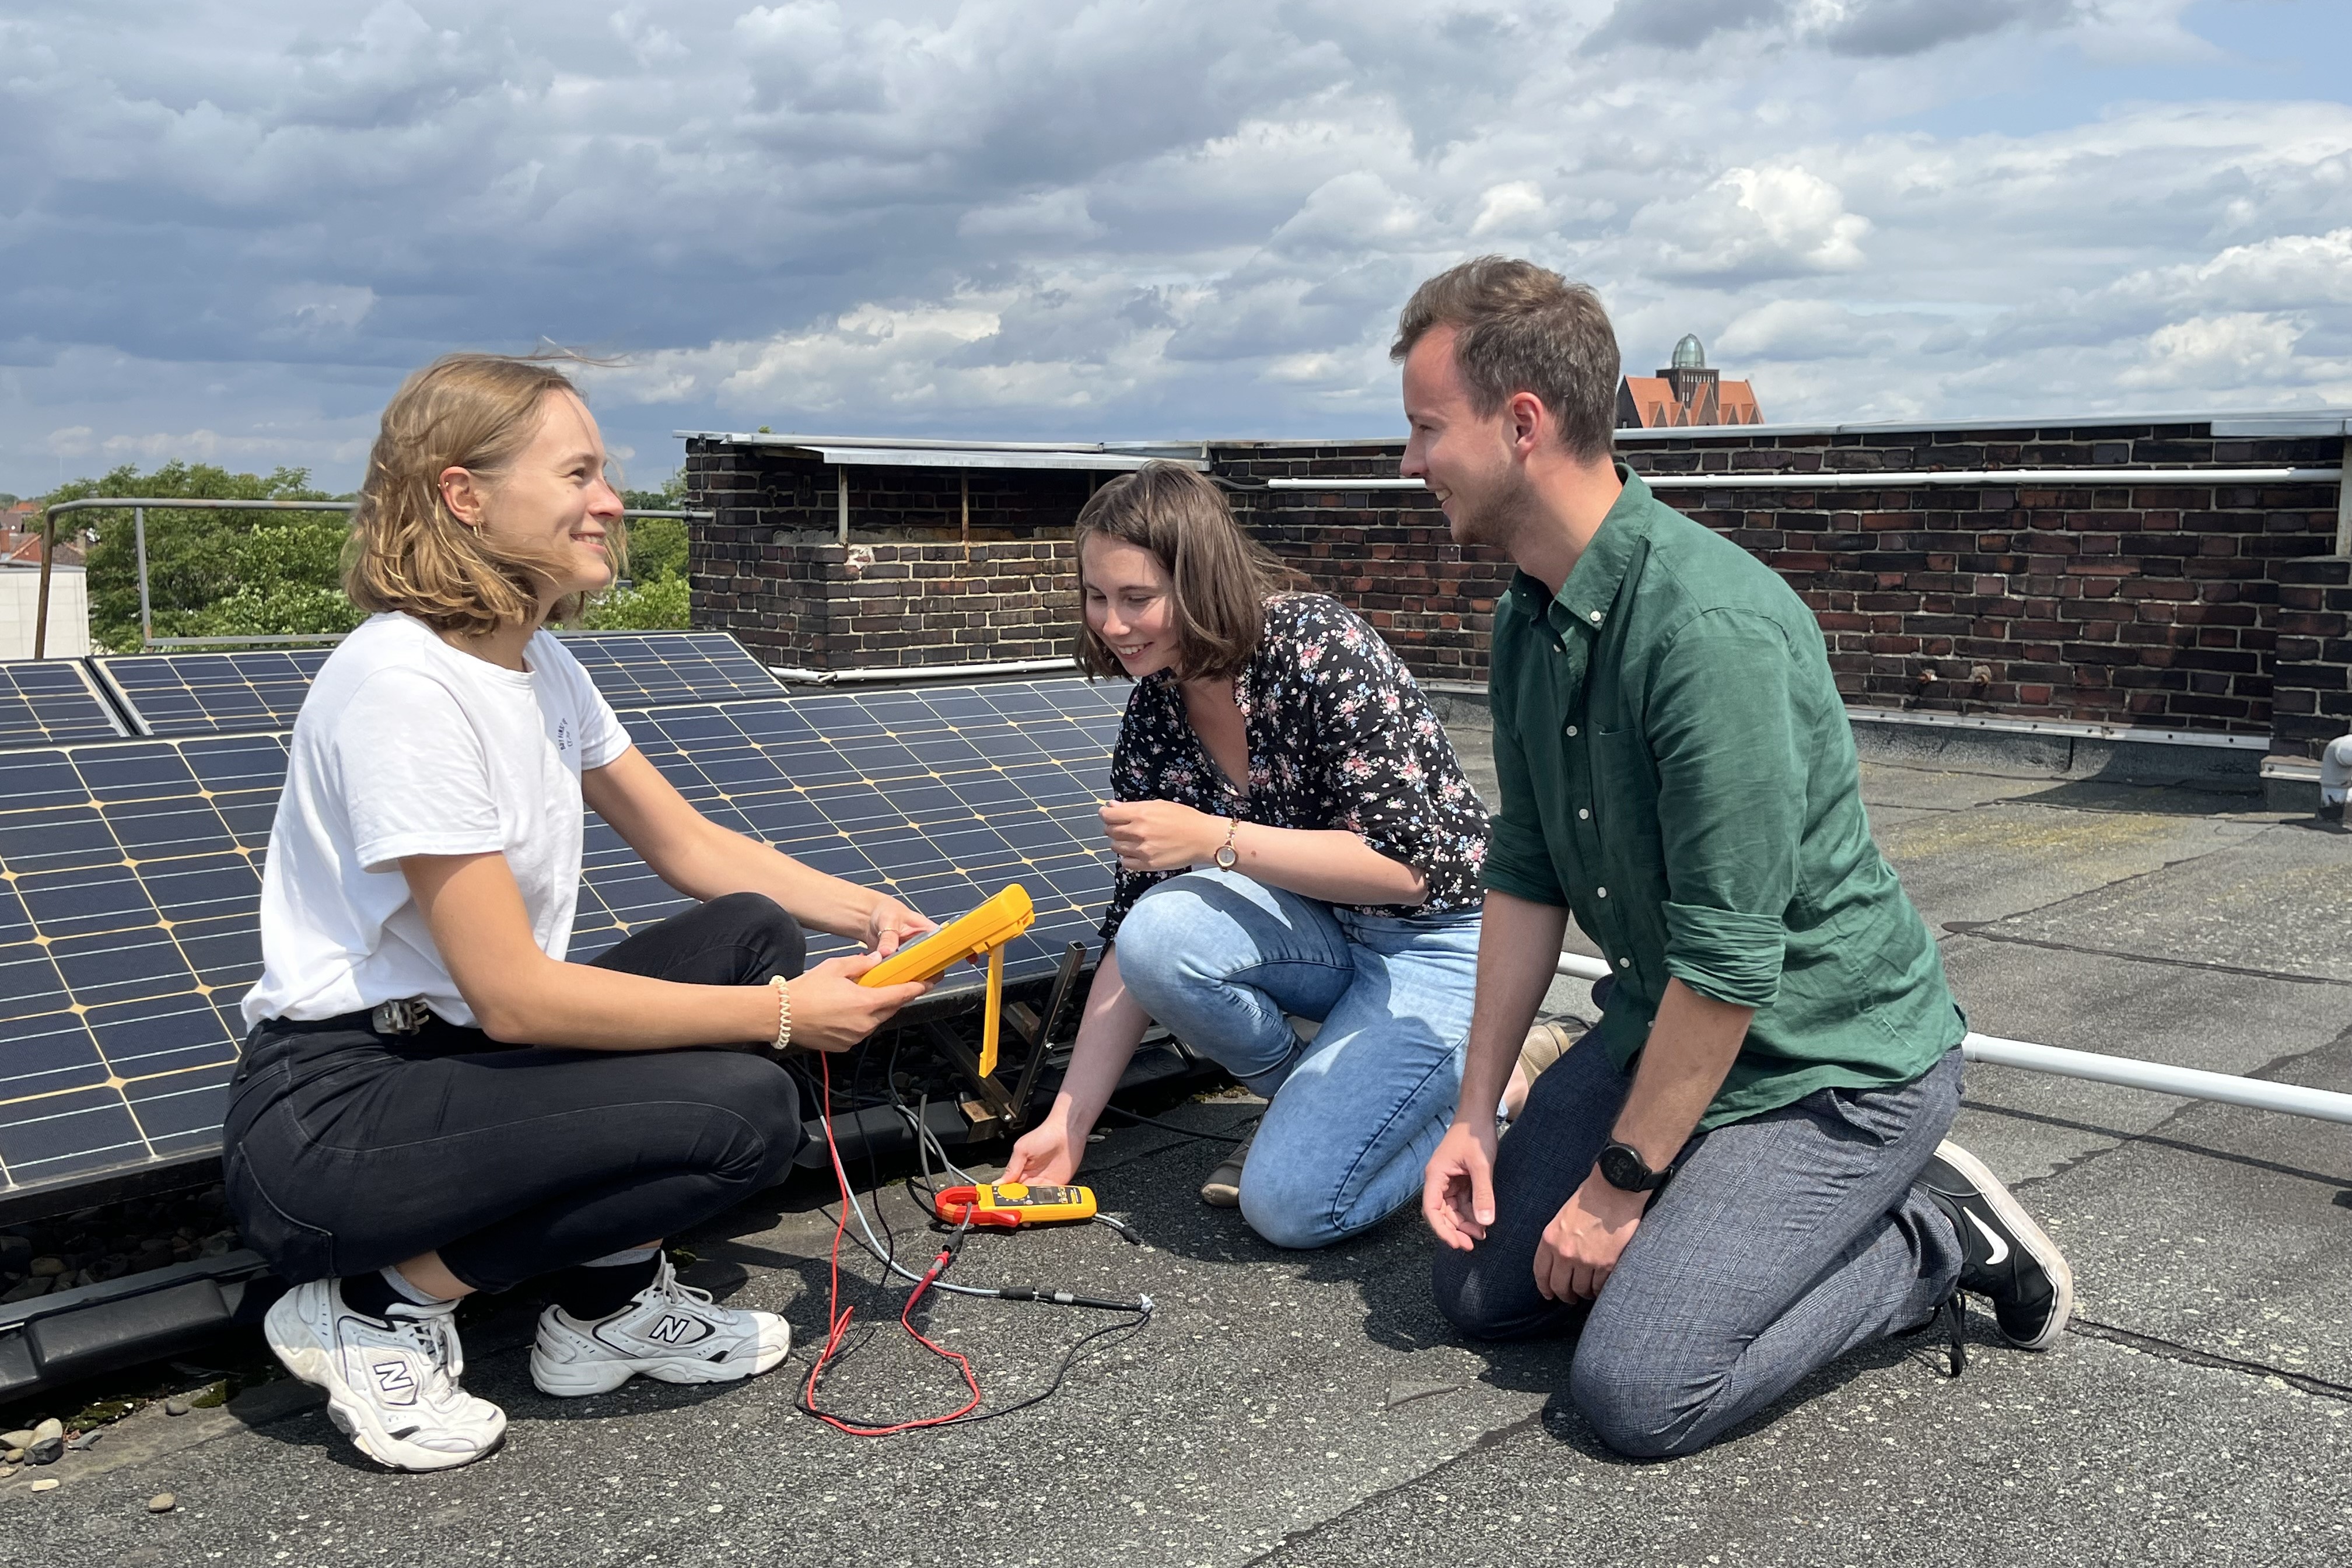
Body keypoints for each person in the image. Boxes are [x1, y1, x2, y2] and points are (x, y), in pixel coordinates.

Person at [1405, 259, 2073, 1459]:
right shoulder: (1529, 611)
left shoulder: (1707, 630)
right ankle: (1717, 1211)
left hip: (1829, 1068)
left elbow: (1728, 959)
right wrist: (1474, 1114)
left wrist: (1618, 1190)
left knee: (1636, 1393)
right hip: (1671, 1036)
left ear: (1522, 424)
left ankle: (1932, 1242)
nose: (1409, 463)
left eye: (1423, 428)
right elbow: (1525, 868)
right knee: (1477, 1296)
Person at [224, 353, 936, 1472]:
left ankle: (604, 1310)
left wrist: (873, 917)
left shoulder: (536, 661)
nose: (611, 501)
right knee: (748, 1110)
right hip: (343, 1111)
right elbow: (513, 996)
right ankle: (373, 1301)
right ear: (464, 496)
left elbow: (689, 848)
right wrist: (786, 1018)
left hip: (455, 1064)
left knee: (751, 931)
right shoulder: (405, 691)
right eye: (580, 474)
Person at [1003, 463, 1552, 1248]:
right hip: (1327, 936)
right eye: (1098, 597)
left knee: (1290, 1207)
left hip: (1444, 939)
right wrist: (1069, 1119)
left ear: (1199, 583)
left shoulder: (1316, 646)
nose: (1113, 625)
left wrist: (1214, 842)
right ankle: (1350, 1103)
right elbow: (1133, 935)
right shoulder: (1155, 712)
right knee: (1158, 932)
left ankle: (1488, 1101)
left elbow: (1411, 870)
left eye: (1137, 599)